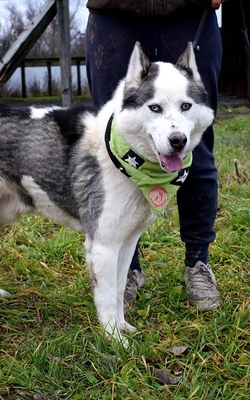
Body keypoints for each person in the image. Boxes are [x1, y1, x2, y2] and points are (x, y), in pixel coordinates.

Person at [85, 0, 223, 311]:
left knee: (196, 150)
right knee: (113, 149)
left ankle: (198, 264)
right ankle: (126, 268)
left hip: (191, 10)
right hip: (114, 14)